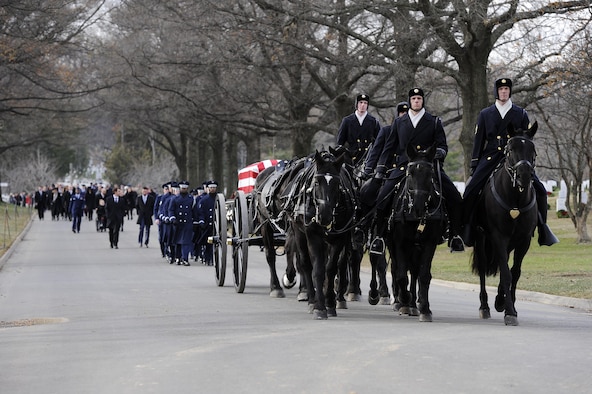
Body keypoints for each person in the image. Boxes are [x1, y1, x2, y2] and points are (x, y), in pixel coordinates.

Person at [463, 77, 558, 247]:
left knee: (541, 191)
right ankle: (466, 229)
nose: (504, 92)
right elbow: (479, 140)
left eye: (506, 89)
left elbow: (526, 137)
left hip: (516, 158)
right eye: (501, 89)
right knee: (470, 189)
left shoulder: (520, 113)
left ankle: (543, 228)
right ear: (496, 92)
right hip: (491, 155)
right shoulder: (485, 114)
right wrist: (475, 165)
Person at [371, 87, 465, 253]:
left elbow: (442, 144)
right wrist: (381, 168)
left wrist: (438, 153)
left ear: (422, 101)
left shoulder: (434, 121)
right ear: (410, 101)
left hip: (429, 166)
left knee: (455, 197)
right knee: (382, 197)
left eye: (419, 99)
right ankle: (379, 237)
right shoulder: (399, 122)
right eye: (413, 99)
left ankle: (455, 236)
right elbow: (389, 146)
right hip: (404, 167)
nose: (416, 101)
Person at [336, 93, 381, 165]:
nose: (363, 105)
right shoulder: (347, 121)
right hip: (350, 157)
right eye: (361, 102)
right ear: (356, 104)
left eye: (365, 103)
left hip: (368, 158)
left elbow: (379, 142)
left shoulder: (374, 122)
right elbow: (340, 143)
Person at [168, 181, 196, 266]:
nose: (183, 189)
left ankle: (185, 258)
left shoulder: (191, 199)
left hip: (187, 222)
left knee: (186, 241)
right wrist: (172, 218)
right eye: (182, 188)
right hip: (178, 222)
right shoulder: (175, 199)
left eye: (185, 188)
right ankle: (178, 257)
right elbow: (171, 210)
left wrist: (195, 221)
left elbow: (194, 211)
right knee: (178, 241)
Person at [196, 181, 218, 266]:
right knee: (207, 243)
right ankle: (206, 258)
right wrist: (202, 221)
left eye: (214, 187)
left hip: (217, 224)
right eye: (211, 187)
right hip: (207, 224)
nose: (212, 189)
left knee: (215, 244)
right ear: (208, 188)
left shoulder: (219, 198)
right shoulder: (204, 200)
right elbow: (201, 212)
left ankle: (213, 259)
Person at [154, 182, 171, 258]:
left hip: (168, 220)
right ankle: (163, 250)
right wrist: (156, 218)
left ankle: (168, 250)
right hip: (161, 220)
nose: (167, 190)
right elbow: (156, 209)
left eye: (168, 189)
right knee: (161, 237)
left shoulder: (171, 197)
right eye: (165, 189)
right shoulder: (160, 198)